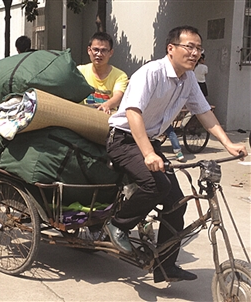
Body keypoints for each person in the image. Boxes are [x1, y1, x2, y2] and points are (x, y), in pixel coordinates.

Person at [105, 25, 247, 283]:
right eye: (189, 47)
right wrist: (148, 153)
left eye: (198, 48)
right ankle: (118, 224)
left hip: (149, 142)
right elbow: (133, 113)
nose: (194, 53)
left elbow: (204, 113)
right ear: (171, 49)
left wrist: (228, 144)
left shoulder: (189, 78)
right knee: (155, 185)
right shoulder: (151, 72)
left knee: (176, 203)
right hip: (124, 141)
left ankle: (165, 265)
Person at [77, 32, 128, 115]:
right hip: (83, 116)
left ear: (110, 53)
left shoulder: (120, 75)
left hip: (106, 117)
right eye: (96, 50)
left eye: (103, 50)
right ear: (89, 50)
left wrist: (107, 105)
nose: (99, 54)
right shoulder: (79, 71)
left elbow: (118, 96)